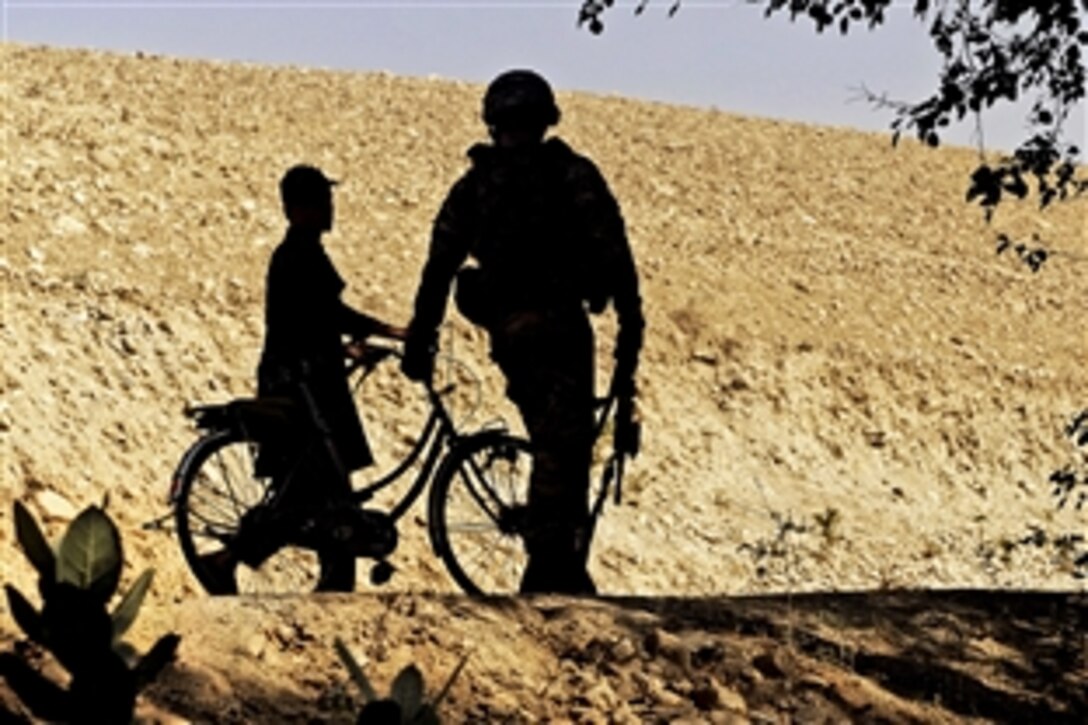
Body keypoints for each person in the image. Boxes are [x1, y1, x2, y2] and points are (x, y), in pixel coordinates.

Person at [401, 69, 644, 595]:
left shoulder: (478, 186)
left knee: (562, 441)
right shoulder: (571, 176)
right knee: (564, 443)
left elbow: (438, 267)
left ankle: (561, 564)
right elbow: (616, 259)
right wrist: (630, 335)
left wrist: (423, 336)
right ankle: (550, 567)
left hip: (520, 332)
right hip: (555, 328)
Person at [202, 164, 405, 594]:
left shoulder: (305, 253)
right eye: (319, 202)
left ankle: (328, 587)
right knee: (312, 490)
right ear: (295, 209)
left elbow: (314, 320)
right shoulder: (297, 255)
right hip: (300, 385)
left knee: (324, 494)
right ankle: (226, 559)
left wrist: (350, 346)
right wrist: (386, 331)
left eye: (327, 200)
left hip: (312, 377)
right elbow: (325, 315)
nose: (329, 209)